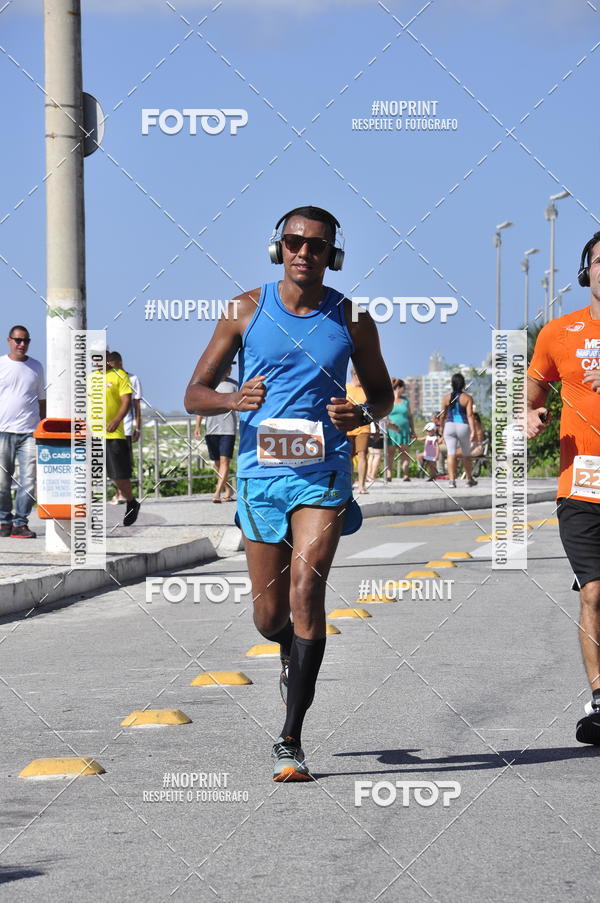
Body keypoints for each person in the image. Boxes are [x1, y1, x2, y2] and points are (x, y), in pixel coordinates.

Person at [184, 205, 393, 781]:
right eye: (295, 242)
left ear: (333, 256)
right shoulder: (244, 310)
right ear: (280, 248)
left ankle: (290, 739)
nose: (305, 252)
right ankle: (287, 653)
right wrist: (232, 401)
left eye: (318, 245)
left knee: (307, 590)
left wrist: (362, 413)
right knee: (267, 614)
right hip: (259, 472)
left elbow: (382, 396)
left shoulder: (352, 319)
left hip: (323, 469)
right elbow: (193, 392)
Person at [527, 230, 600, 745]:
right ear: (586, 271)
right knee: (595, 592)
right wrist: (529, 410)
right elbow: (531, 388)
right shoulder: (558, 332)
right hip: (583, 481)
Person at [0, 325, 46, 538]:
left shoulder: (36, 366)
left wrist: (42, 424)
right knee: (2, 481)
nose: (22, 344)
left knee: (28, 480)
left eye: (26, 340)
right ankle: (3, 520)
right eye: (18, 340)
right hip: (3, 430)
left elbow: (41, 399)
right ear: (9, 340)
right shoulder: (1, 364)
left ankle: (21, 522)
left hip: (29, 432)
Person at [89, 352, 140, 526]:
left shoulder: (120, 375)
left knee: (118, 476)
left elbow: (127, 401)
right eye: (94, 358)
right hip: (93, 434)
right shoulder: (90, 378)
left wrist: (117, 420)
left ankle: (131, 502)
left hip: (114, 433)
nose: (96, 361)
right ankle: (91, 514)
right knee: (90, 475)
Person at [194, 365, 238, 502]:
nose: (228, 370)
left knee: (225, 461)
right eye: (226, 367)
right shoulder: (209, 385)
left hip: (228, 430)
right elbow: (201, 406)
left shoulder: (235, 385)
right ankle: (228, 488)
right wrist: (197, 426)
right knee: (217, 463)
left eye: (229, 367)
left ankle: (217, 493)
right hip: (211, 429)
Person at [107, 351, 142, 504]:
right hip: (108, 429)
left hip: (125, 427)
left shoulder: (132, 379)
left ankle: (124, 494)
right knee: (112, 462)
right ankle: (119, 493)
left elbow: (136, 405)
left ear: (120, 363)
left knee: (123, 462)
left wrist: (138, 427)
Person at [439, 373, 477, 488]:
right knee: (466, 454)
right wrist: (473, 430)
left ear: (452, 384)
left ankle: (452, 481)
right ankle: (469, 479)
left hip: (449, 426)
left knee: (451, 453)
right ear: (463, 384)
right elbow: (470, 416)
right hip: (463, 426)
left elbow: (442, 416)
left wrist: (441, 428)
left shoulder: (445, 398)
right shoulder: (467, 398)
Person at [385, 378, 416, 481]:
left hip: (404, 430)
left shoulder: (405, 400)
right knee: (390, 453)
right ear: (399, 387)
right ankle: (389, 474)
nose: (405, 389)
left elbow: (410, 416)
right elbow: (385, 414)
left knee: (405, 453)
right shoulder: (389, 400)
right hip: (392, 430)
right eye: (403, 387)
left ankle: (406, 474)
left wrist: (413, 430)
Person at [345, 368, 370, 493]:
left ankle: (362, 485)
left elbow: (372, 410)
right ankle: (349, 482)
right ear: (354, 374)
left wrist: (376, 430)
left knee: (362, 454)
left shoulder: (367, 390)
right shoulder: (345, 388)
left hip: (363, 427)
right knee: (348, 456)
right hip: (347, 428)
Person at [458, 411, 485, 479]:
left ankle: (463, 472)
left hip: (476, 448)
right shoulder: (477, 424)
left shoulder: (474, 423)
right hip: (476, 447)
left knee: (456, 454)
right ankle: (463, 472)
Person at [366, 419, 384, 485]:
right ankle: (372, 476)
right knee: (377, 455)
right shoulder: (382, 410)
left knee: (371, 455)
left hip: (369, 431)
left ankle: (368, 475)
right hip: (378, 432)